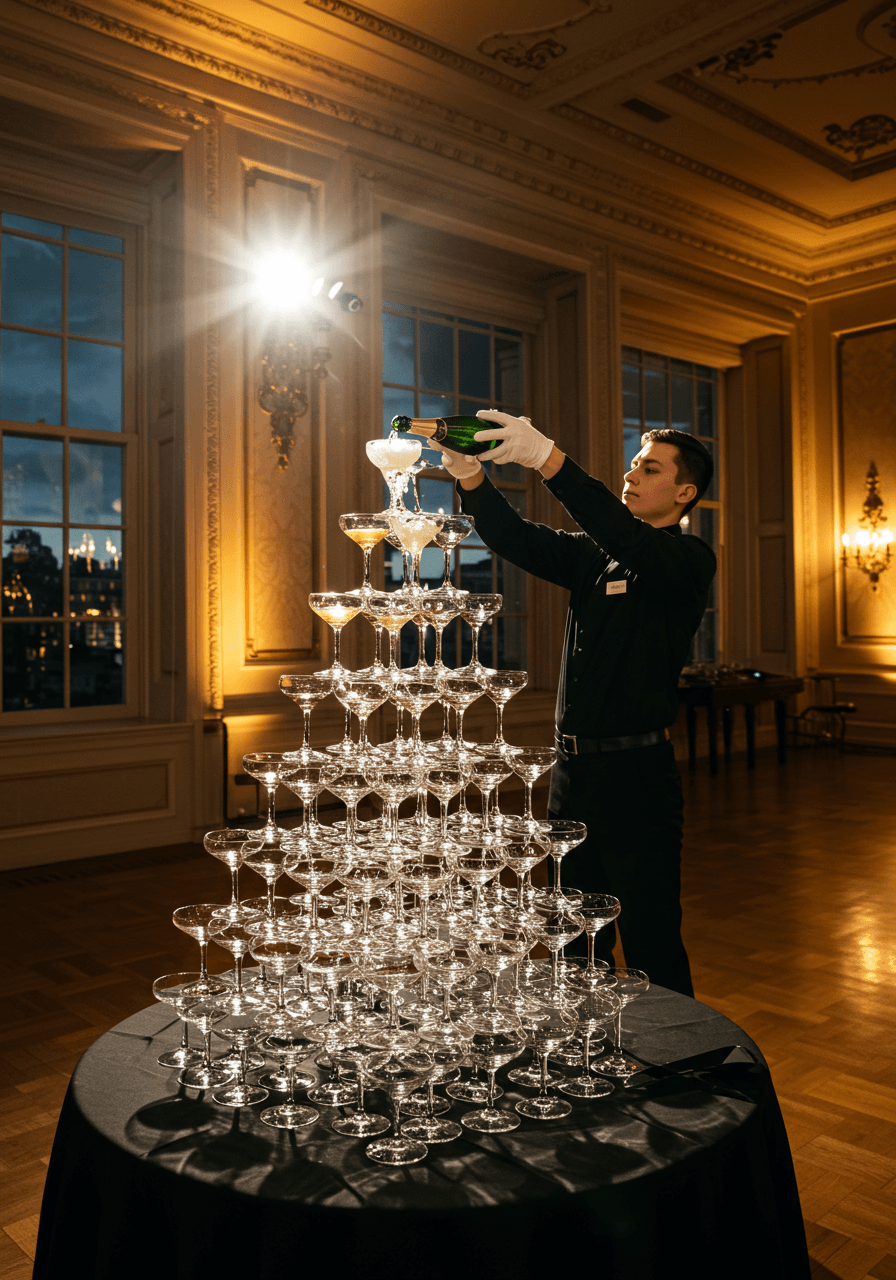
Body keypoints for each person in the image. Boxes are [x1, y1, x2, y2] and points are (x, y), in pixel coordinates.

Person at [438, 411, 716, 997]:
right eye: (634, 463)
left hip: (638, 777)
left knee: (651, 936)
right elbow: (515, 538)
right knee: (571, 933)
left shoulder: (687, 561)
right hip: (573, 775)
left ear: (684, 492)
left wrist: (548, 459)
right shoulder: (597, 557)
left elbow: (620, 530)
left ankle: (679, 1068)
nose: (632, 472)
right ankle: (578, 1056)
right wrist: (470, 479)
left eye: (651, 467)